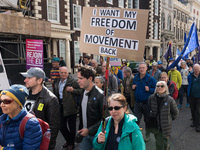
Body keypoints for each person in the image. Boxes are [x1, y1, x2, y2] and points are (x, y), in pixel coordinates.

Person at [20, 67, 60, 150]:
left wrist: (46, 145)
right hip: (24, 140)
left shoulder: (50, 99)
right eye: (26, 77)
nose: (25, 80)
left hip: (39, 144)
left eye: (29, 78)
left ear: (39, 80)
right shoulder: (24, 95)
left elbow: (53, 127)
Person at [0, 84, 42, 149]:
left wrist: (2, 148)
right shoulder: (2, 119)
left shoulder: (31, 124)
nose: (1, 105)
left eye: (6, 101)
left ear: (18, 103)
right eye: (1, 101)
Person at [53, 67, 82, 150]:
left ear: (68, 73)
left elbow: (81, 91)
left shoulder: (73, 81)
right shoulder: (57, 81)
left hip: (71, 106)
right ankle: (69, 140)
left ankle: (71, 143)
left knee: (72, 127)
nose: (63, 74)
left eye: (65, 73)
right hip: (61, 105)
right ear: (59, 73)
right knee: (61, 126)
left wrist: (73, 90)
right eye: (61, 72)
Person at [77, 66, 104, 150]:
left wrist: (89, 130)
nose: (78, 81)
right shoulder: (83, 92)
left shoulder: (100, 95)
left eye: (81, 78)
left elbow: (105, 119)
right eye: (78, 78)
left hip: (97, 135)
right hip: (84, 134)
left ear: (90, 78)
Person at [148, 81, 179, 150]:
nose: (159, 87)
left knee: (164, 142)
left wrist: (168, 119)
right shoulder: (151, 98)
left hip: (165, 126)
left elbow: (175, 113)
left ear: (165, 88)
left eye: (162, 86)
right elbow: (149, 109)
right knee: (158, 142)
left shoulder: (170, 100)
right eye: (158, 86)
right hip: (155, 124)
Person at [132, 62, 156, 141]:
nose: (141, 69)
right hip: (137, 103)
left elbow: (156, 89)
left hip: (146, 104)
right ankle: (135, 135)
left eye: (143, 68)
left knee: (147, 120)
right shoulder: (136, 77)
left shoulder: (150, 79)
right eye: (140, 68)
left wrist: (150, 89)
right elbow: (134, 84)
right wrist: (133, 86)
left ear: (146, 69)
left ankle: (147, 135)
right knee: (136, 120)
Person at [187, 64, 200, 131]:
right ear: (193, 69)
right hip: (192, 96)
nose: (196, 70)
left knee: (198, 111)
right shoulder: (190, 76)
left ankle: (198, 125)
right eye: (195, 69)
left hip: (199, 97)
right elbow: (189, 84)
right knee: (193, 109)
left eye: (197, 69)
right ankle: (194, 121)